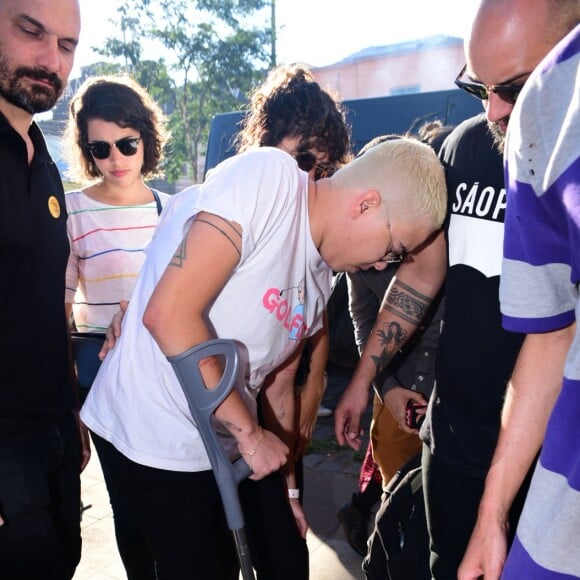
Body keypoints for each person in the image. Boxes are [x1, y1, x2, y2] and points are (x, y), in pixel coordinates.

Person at [79, 137, 447, 579]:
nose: (381, 265)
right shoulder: (269, 179)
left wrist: (288, 491)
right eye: (392, 249)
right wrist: (251, 438)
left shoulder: (318, 279)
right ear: (366, 204)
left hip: (218, 444)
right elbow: (169, 315)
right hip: (148, 434)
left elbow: (274, 386)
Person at [457, 5, 580, 580]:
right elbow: (554, 335)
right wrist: (493, 512)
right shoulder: (532, 142)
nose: (495, 111)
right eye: (480, 88)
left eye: (513, 88)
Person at [231, 62, 353, 578]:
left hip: (272, 410)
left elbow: (311, 328)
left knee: (284, 545)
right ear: (265, 144)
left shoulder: (319, 233)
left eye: (324, 169)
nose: (310, 178)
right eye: (302, 158)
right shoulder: (239, 210)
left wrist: (313, 389)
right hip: (209, 417)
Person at [0, 1, 86, 578]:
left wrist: (70, 407)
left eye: (67, 45)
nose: (49, 59)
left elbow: (45, 298)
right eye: (30, 31)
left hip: (51, 435)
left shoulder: (45, 160)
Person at [337, 126, 450, 559]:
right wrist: (385, 387)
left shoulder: (438, 229)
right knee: (399, 512)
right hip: (395, 399)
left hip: (451, 399)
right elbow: (364, 321)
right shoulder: (359, 255)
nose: (386, 260)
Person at [64, 74, 170, 333]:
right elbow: (59, 311)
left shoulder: (172, 209)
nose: (116, 159)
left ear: (146, 139)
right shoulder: (72, 211)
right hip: (99, 362)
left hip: (160, 360)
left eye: (127, 145)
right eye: (101, 148)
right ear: (87, 150)